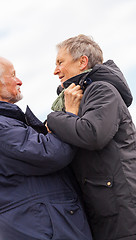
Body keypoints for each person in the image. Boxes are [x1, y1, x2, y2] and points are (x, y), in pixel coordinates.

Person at [0, 55, 93, 240]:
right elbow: (52, 154)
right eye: (12, 75)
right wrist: (70, 115)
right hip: (46, 229)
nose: (19, 80)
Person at [47, 34, 136, 240]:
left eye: (60, 62)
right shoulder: (80, 96)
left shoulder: (101, 89)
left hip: (123, 211)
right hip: (106, 209)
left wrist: (55, 119)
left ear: (82, 62)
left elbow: (93, 134)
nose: (55, 70)